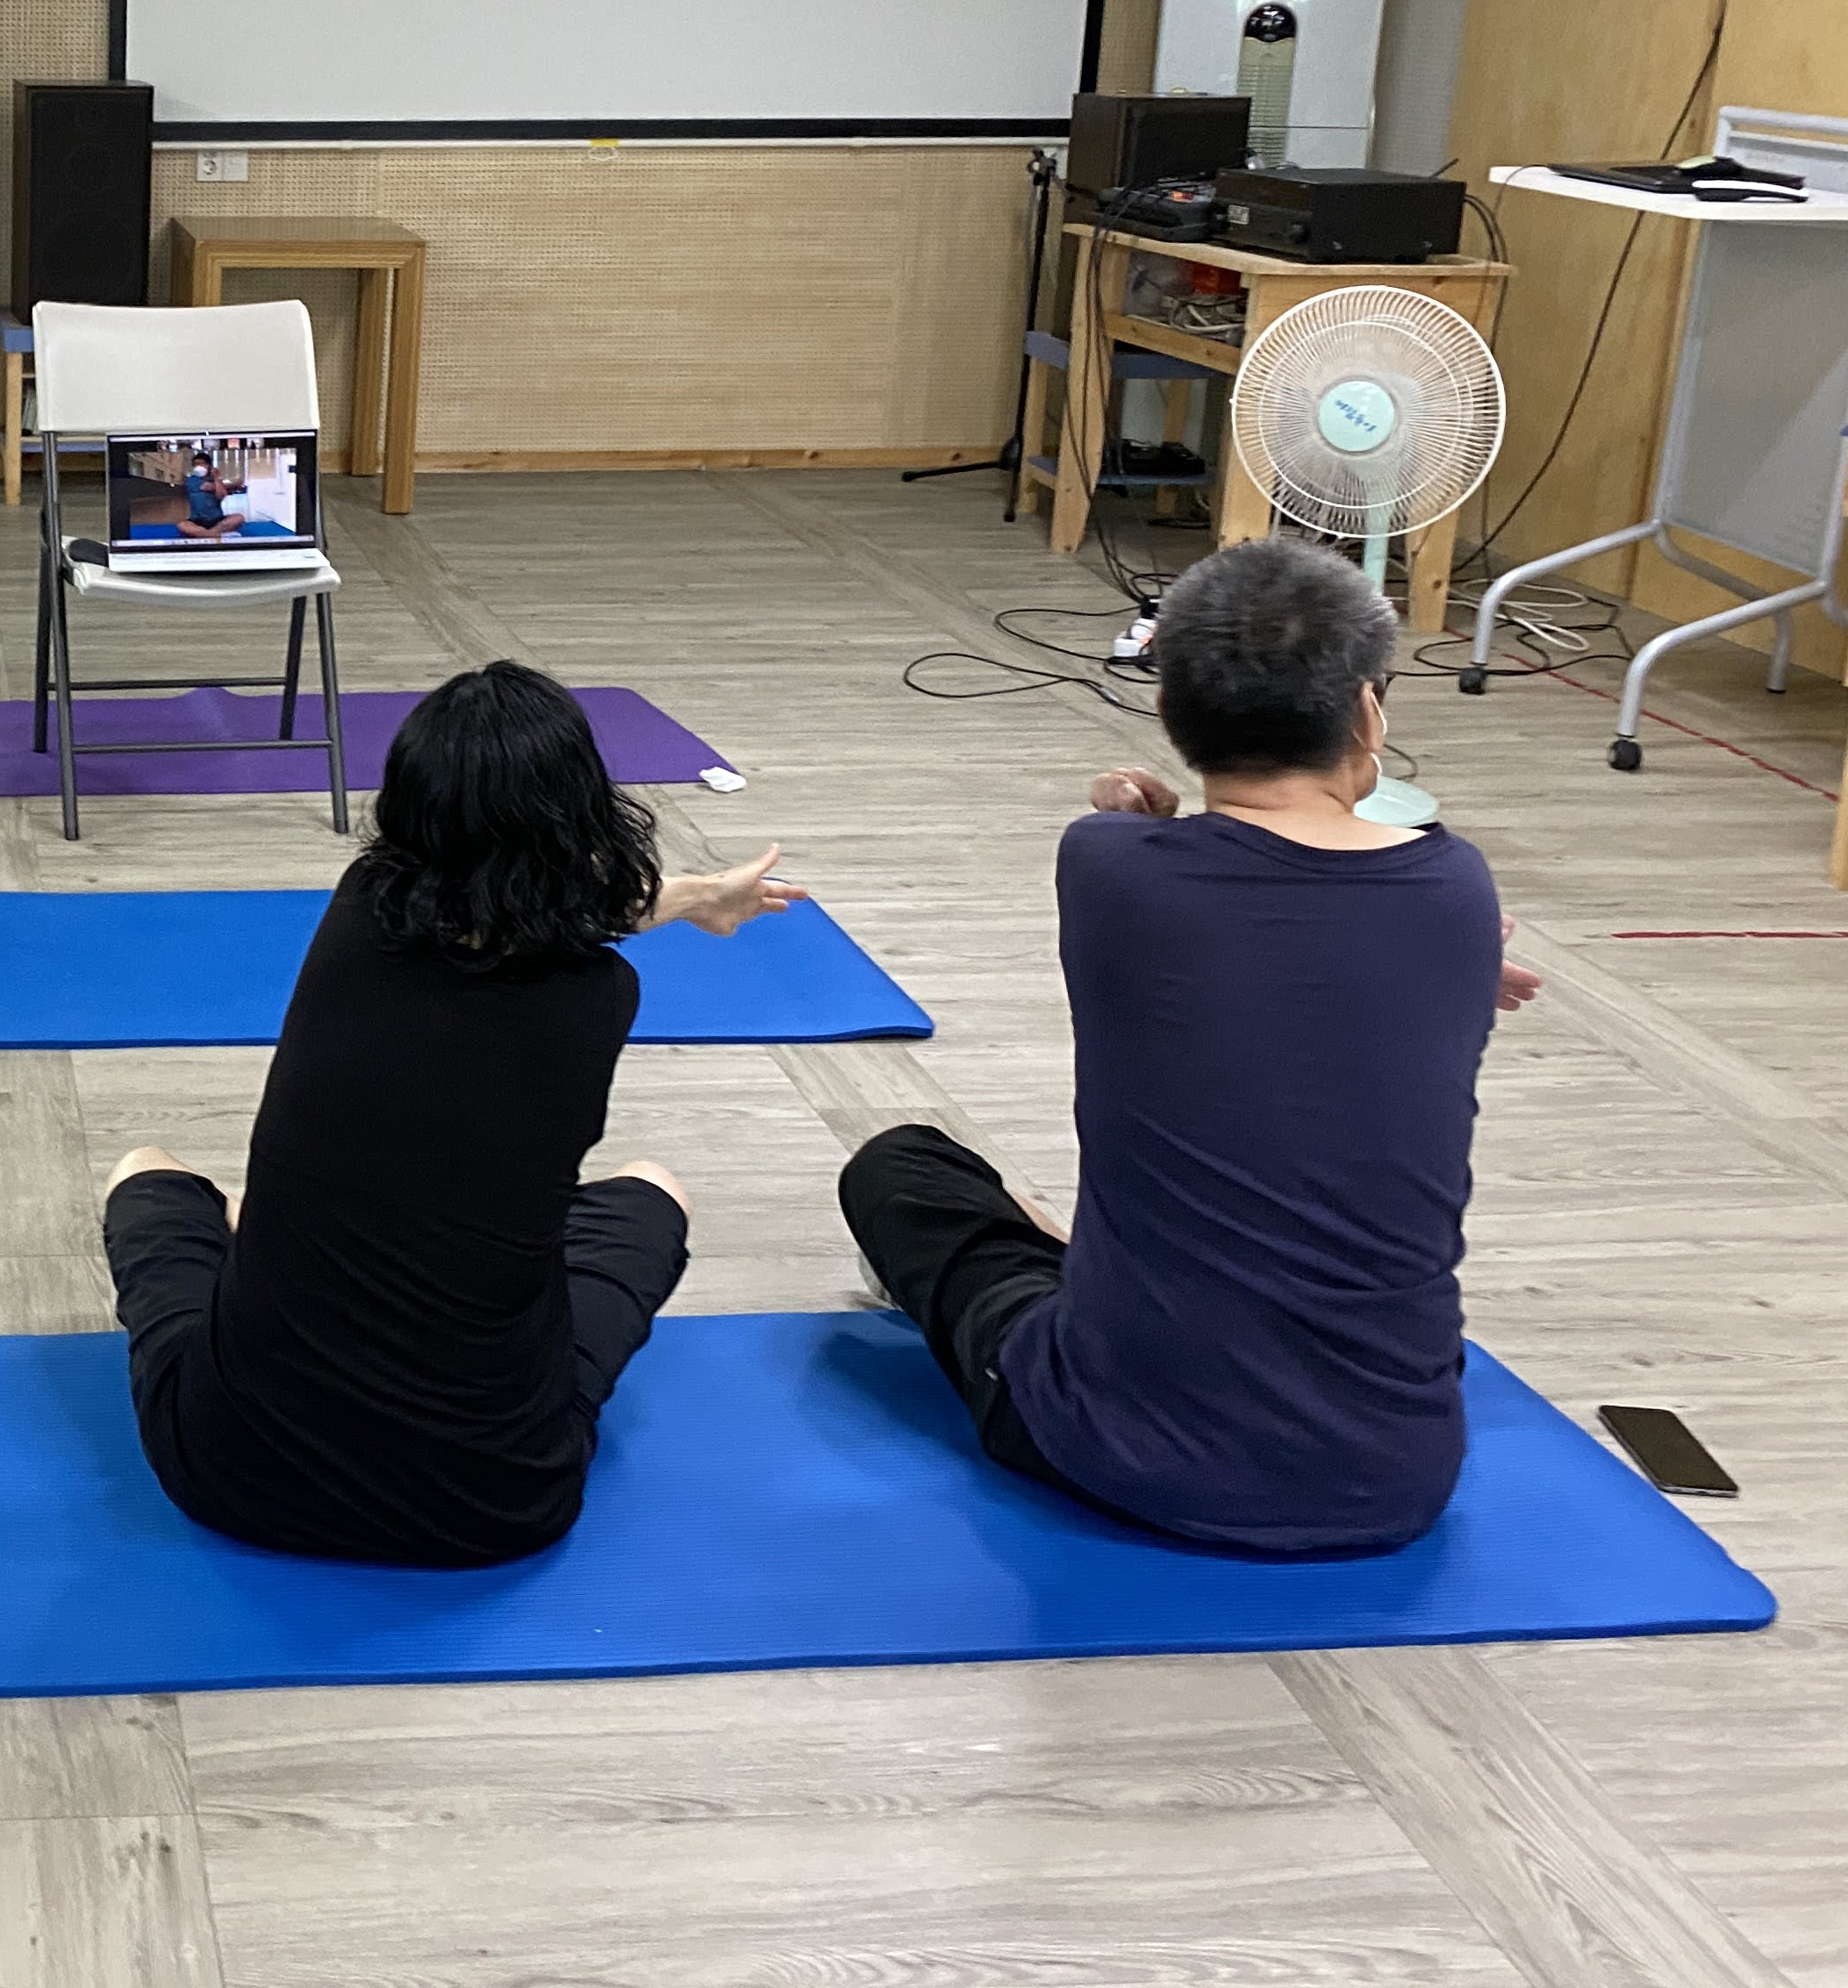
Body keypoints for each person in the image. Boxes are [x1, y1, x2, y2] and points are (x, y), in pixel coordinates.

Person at [838, 535, 1541, 1556]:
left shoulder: (1109, 865)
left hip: (1115, 1451)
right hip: (1397, 1473)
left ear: (1168, 710)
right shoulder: (1457, 889)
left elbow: (1189, 881)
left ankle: (1057, 1263)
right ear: (1368, 710)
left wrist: (1138, 813)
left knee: (901, 1168)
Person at [101, 661, 805, 1566]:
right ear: (584, 813)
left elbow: (516, 909)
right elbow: (556, 916)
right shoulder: (597, 999)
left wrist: (696, 896)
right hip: (491, 1503)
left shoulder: (359, 914)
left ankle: (254, 1234)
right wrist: (697, 897)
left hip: (235, 1476)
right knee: (651, 1188)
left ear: (407, 808)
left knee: (145, 1172)